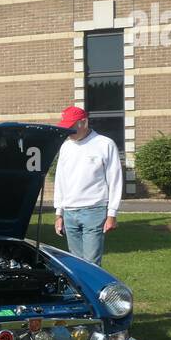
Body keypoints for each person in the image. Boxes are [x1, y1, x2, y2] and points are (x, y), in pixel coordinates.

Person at [53, 105, 123, 267]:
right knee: (75, 264)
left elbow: (115, 179)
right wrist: (59, 213)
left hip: (94, 210)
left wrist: (112, 214)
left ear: (84, 122)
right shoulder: (65, 147)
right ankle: (80, 292)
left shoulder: (105, 144)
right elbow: (60, 180)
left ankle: (94, 292)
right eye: (66, 127)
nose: (68, 131)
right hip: (69, 212)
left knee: (91, 264)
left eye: (71, 127)